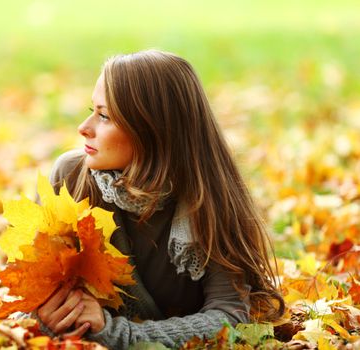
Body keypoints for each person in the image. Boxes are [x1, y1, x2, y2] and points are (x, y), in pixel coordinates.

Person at [34, 49, 285, 349]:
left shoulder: (211, 197)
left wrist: (116, 333)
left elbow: (229, 316)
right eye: (92, 111)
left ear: (151, 130)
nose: (84, 128)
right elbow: (33, 300)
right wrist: (46, 317)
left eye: (104, 116)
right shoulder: (71, 178)